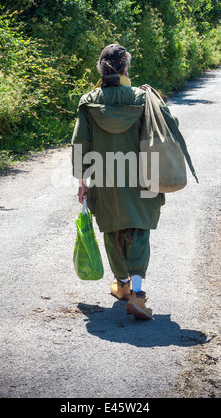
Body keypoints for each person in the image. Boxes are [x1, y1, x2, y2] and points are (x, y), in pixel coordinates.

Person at [71, 44, 165, 320]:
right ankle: (137, 293)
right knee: (138, 228)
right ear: (125, 68)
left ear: (101, 69)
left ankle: (122, 285)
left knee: (112, 228)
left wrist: (81, 180)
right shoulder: (142, 97)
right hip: (142, 176)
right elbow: (165, 129)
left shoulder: (88, 101)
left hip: (105, 176)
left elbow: (80, 144)